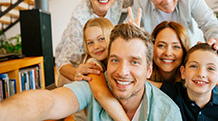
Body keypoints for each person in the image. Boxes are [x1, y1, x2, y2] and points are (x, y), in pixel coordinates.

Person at [55, 0, 202, 86]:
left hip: (102, 59)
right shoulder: (79, 20)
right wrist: (76, 73)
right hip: (75, 69)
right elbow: (62, 61)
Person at [0, 23, 182, 121]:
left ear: (149, 70)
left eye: (134, 62)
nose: (122, 71)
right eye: (115, 60)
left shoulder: (167, 113)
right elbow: (50, 102)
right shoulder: (96, 83)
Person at [160, 43, 218, 121]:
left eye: (210, 69)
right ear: (183, 72)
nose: (201, 74)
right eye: (194, 66)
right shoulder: (173, 95)